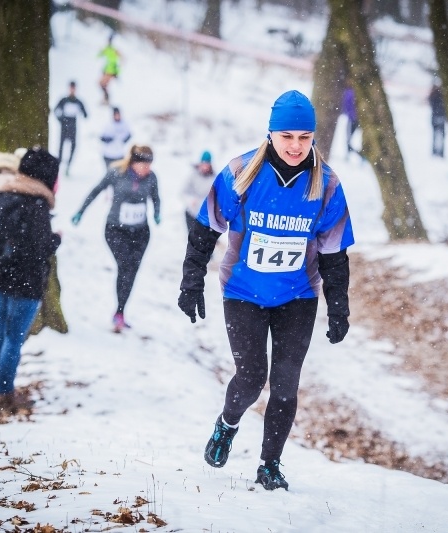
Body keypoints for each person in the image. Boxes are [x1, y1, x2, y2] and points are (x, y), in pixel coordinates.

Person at [177, 90, 355, 491]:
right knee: (252, 376)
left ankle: (270, 464)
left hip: (298, 296)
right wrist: (191, 282)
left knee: (286, 383)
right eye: (287, 135)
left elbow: (334, 254)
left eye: (304, 137)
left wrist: (339, 307)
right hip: (243, 292)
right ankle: (227, 424)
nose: (295, 146)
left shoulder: (326, 184)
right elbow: (204, 230)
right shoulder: (240, 173)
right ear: (271, 133)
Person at [0, 147, 61, 415]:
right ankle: (3, 392)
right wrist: (56, 239)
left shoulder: (4, 195)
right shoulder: (37, 206)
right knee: (13, 338)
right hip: (26, 282)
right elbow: (38, 248)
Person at [72, 145, 160, 332]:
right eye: (144, 165)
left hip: (141, 232)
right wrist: (80, 211)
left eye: (149, 165)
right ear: (134, 162)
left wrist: (157, 213)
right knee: (125, 266)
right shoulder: (116, 173)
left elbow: (156, 197)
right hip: (115, 230)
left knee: (132, 270)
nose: (147, 168)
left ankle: (120, 311)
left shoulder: (152, 177)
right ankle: (119, 312)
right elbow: (96, 191)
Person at [53, 81, 88, 176]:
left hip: (73, 127)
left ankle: (68, 166)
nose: (72, 90)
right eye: (71, 88)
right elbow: (55, 110)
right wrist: (60, 119)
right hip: (64, 126)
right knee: (61, 147)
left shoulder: (78, 101)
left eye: (74, 88)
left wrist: (82, 112)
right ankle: (58, 166)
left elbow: (85, 114)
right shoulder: (64, 100)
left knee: (73, 146)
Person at [182, 150, 214, 231]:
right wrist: (190, 200)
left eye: (207, 164)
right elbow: (183, 192)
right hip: (192, 213)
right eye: (203, 164)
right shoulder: (193, 176)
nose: (205, 167)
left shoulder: (213, 178)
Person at [98, 35, 122, 105]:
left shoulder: (113, 50)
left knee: (102, 84)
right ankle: (106, 99)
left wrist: (117, 72)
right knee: (103, 84)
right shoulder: (108, 49)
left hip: (110, 71)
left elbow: (122, 59)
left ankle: (106, 99)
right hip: (107, 70)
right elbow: (99, 55)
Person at [341, 84, 359, 156]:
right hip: (355, 117)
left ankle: (349, 150)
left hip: (352, 118)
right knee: (350, 136)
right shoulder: (354, 92)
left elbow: (346, 105)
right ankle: (350, 150)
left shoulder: (348, 92)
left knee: (349, 136)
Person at [429, 83, 445, 157]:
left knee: (436, 135)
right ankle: (440, 152)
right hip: (440, 116)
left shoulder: (433, 95)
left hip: (436, 116)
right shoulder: (442, 96)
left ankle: (436, 151)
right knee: (440, 135)